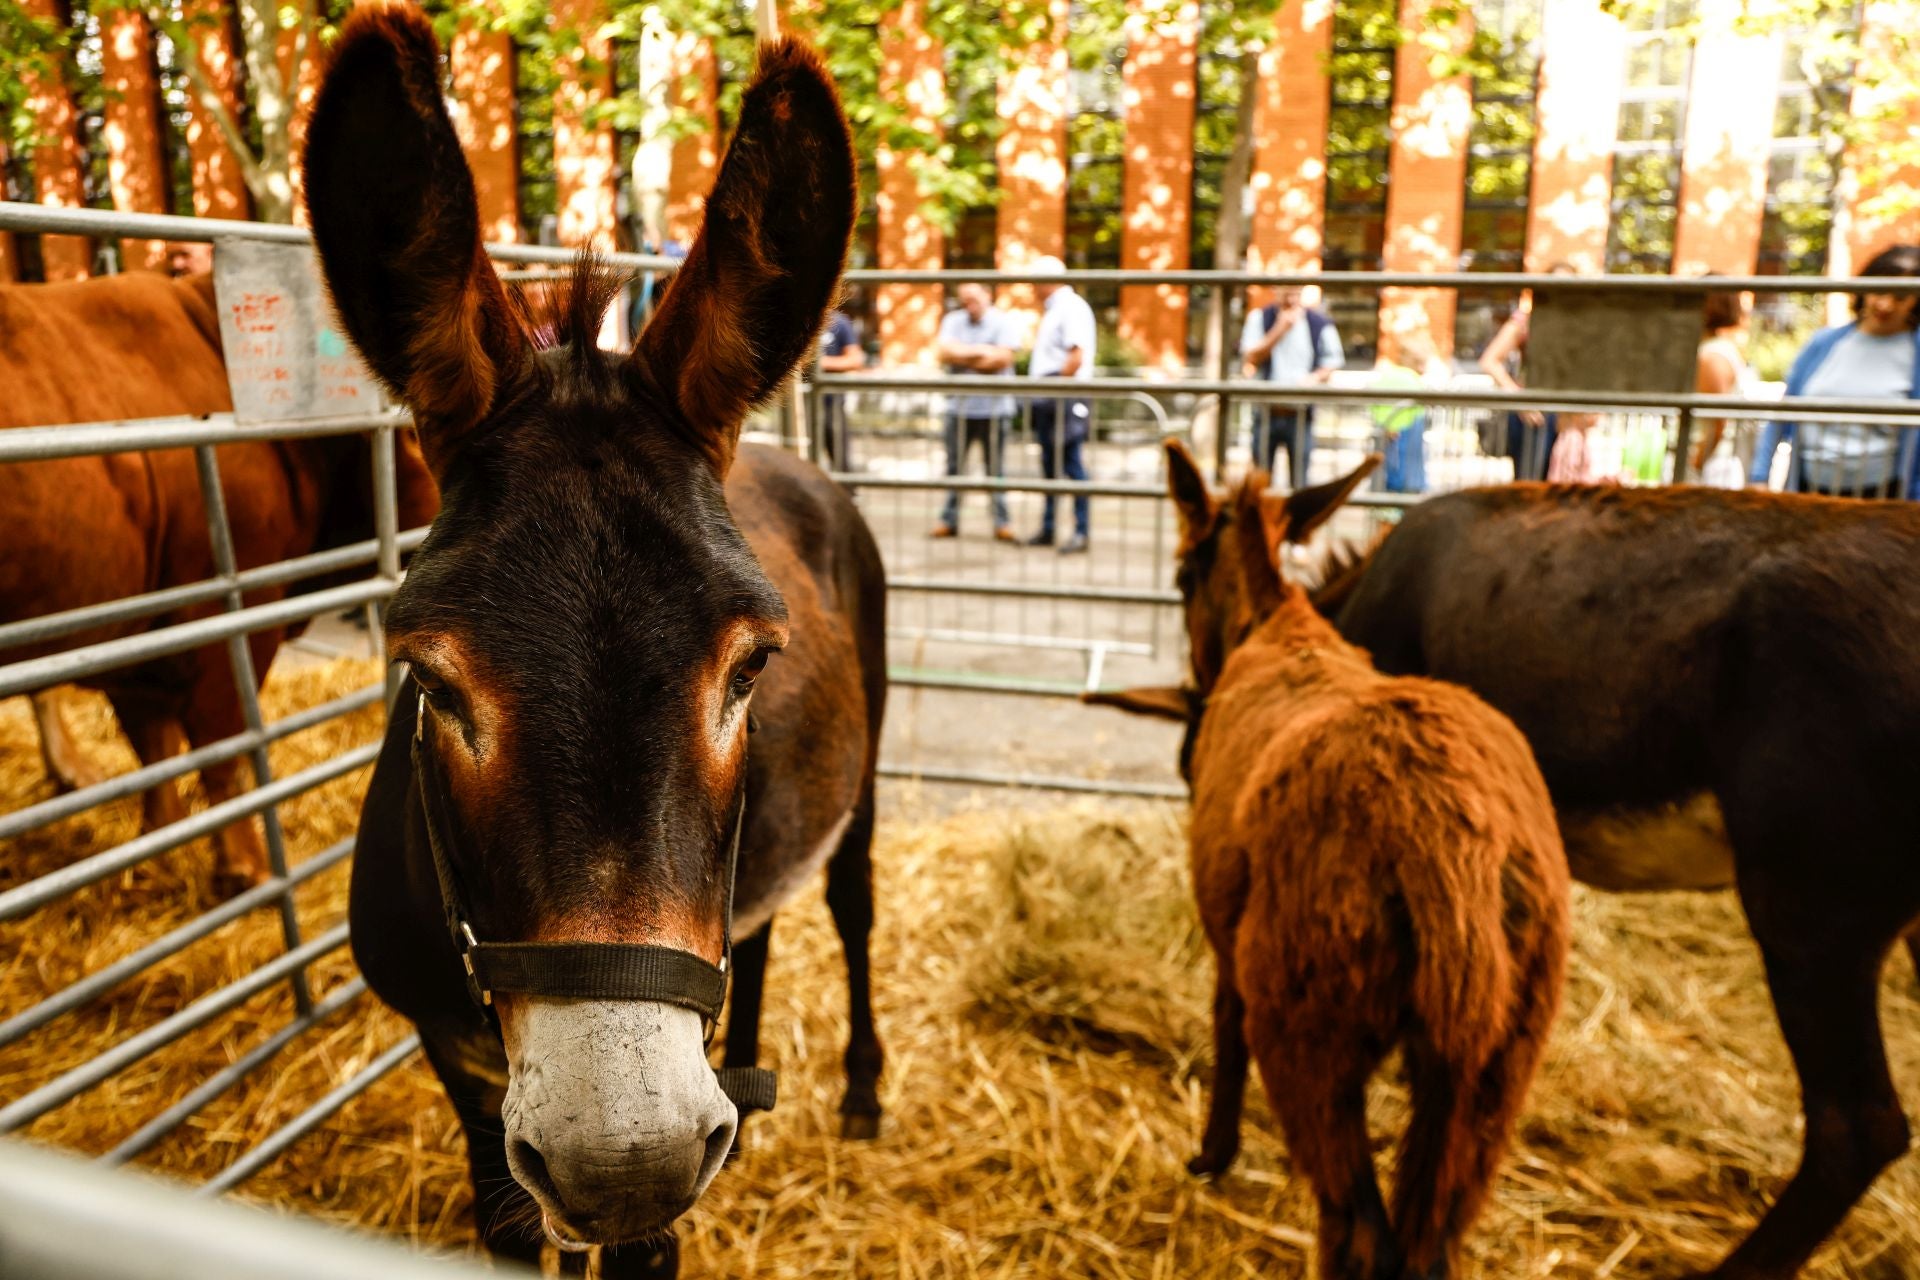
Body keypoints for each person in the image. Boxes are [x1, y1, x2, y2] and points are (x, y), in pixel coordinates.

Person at [1751, 244, 1920, 498]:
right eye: (1880, 291)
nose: (1885, 304)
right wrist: (1759, 477)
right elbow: (1783, 412)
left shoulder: (1914, 352)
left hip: (1882, 499)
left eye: (1899, 297)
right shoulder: (1825, 342)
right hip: (1809, 490)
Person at [931, 284, 1020, 540]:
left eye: (975, 300)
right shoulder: (953, 320)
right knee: (955, 469)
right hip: (959, 409)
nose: (970, 305)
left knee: (996, 470)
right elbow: (945, 352)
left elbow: (1002, 360)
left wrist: (964, 353)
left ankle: (1002, 522)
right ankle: (949, 520)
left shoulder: (1003, 321)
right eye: (965, 301)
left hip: (995, 410)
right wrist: (983, 350)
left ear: (987, 297)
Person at [1478, 263, 1576, 481]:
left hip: (1566, 414)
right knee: (1530, 482)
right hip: (1533, 415)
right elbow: (1489, 360)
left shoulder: (1577, 325)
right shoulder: (1525, 321)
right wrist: (1519, 398)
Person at [1026, 256, 1097, 554]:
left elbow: (1075, 357)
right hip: (1053, 396)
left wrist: (1051, 388)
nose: (1031, 287)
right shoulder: (1056, 309)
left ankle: (1080, 530)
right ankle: (1049, 527)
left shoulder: (1070, 308)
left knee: (1071, 464)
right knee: (1051, 466)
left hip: (1064, 398)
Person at [1239, 286, 1343, 488]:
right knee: (1260, 481)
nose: (1291, 298)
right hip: (1266, 412)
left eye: (1295, 292)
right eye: (1286, 292)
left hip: (1300, 414)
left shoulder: (1318, 322)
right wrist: (1279, 330)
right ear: (1276, 291)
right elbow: (1250, 357)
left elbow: (1333, 360)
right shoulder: (1260, 318)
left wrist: (1314, 378)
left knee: (1299, 482)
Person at [1691, 288, 1760, 478]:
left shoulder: (1712, 356)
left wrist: (1695, 464)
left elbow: (1718, 421)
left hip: (1711, 465)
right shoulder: (1715, 349)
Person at [816, 306, 865, 469]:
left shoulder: (839, 323)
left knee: (840, 460)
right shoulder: (800, 322)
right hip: (804, 405)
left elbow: (855, 359)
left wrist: (819, 364)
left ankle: (847, 492)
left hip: (833, 404)